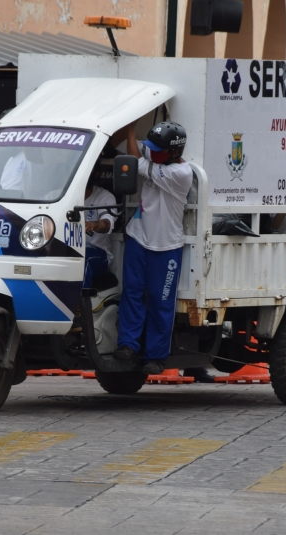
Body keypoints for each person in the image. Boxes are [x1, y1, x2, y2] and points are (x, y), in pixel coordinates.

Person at [111, 121, 194, 376]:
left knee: (161, 301)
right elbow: (123, 146)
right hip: (139, 237)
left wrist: (131, 128)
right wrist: (126, 126)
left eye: (157, 149)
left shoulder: (181, 174)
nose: (152, 151)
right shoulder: (160, 156)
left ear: (173, 152)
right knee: (132, 293)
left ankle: (156, 357)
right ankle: (127, 345)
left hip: (166, 246)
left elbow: (136, 157)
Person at [83, 163, 117, 288]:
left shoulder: (104, 197)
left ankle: (80, 306)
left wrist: (93, 225)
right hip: (65, 251)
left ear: (97, 173)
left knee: (81, 261)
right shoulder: (57, 195)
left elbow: (107, 223)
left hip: (98, 253)